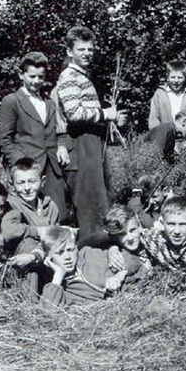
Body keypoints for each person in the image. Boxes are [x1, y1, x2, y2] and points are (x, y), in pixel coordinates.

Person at [54, 26, 127, 239]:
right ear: (69, 52)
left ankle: (103, 246)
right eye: (81, 49)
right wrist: (106, 114)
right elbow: (74, 113)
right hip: (81, 143)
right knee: (89, 202)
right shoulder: (68, 76)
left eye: (90, 49)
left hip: (92, 143)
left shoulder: (82, 75)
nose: (87, 54)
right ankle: (91, 251)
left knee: (100, 197)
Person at [0, 52, 69, 217]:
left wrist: (61, 145)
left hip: (52, 168)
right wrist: (22, 165)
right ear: (21, 75)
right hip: (27, 171)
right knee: (26, 215)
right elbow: (5, 139)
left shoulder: (49, 103)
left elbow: (60, 130)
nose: (36, 81)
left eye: (40, 77)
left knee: (57, 214)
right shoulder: (12, 101)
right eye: (32, 76)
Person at [1, 158, 62, 300]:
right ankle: (28, 302)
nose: (27, 187)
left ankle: (57, 294)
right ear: (12, 185)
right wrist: (39, 231)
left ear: (43, 181)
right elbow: (9, 231)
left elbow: (55, 237)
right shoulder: (11, 205)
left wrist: (37, 254)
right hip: (19, 263)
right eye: (21, 183)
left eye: (32, 181)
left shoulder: (50, 206)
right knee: (28, 242)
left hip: (44, 257)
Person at [39, 225, 129, 310]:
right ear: (49, 258)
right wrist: (58, 275)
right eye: (60, 253)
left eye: (70, 250)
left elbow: (133, 259)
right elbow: (48, 313)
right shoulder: (57, 286)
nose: (67, 257)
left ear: (76, 248)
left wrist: (120, 275)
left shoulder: (89, 255)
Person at [148, 59, 186, 152]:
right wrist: (162, 140)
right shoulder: (159, 94)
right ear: (167, 77)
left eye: (179, 78)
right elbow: (153, 121)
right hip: (164, 143)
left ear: (185, 78)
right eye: (173, 77)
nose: (176, 81)